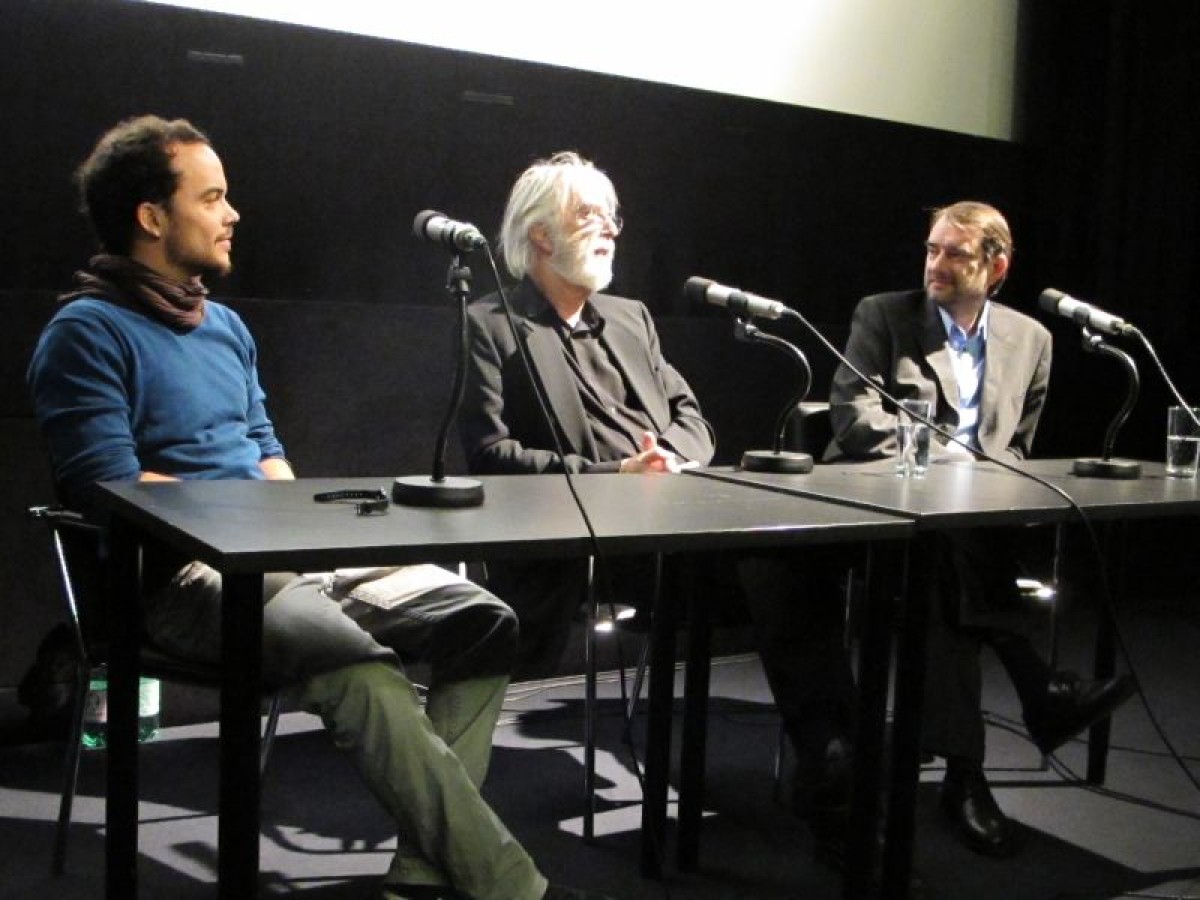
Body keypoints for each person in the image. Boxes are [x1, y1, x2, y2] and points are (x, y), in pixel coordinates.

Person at [26, 115, 615, 900]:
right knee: (358, 669)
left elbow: (268, 451)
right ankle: (508, 887)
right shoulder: (85, 333)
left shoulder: (226, 328)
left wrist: (297, 522)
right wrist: (251, 519)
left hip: (276, 555)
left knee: (482, 618)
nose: (232, 213)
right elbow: (113, 492)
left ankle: (421, 872)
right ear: (152, 217)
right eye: (213, 197)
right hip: (176, 580)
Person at [826, 200, 1135, 858]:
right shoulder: (883, 315)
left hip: (966, 525)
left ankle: (967, 767)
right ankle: (1033, 694)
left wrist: (980, 483)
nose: (936, 263)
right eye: (932, 249)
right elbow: (852, 419)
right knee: (944, 552)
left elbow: (1017, 449)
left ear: (997, 266)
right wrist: (949, 460)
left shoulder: (1032, 339)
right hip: (879, 507)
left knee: (946, 574)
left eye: (955, 254)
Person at [459, 150, 718, 677]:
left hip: (665, 519)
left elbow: (692, 417)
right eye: (588, 215)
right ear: (541, 236)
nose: (610, 230)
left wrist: (666, 459)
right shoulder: (490, 323)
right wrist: (615, 476)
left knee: (773, 560)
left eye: (611, 217)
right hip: (564, 536)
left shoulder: (632, 317)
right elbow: (491, 453)